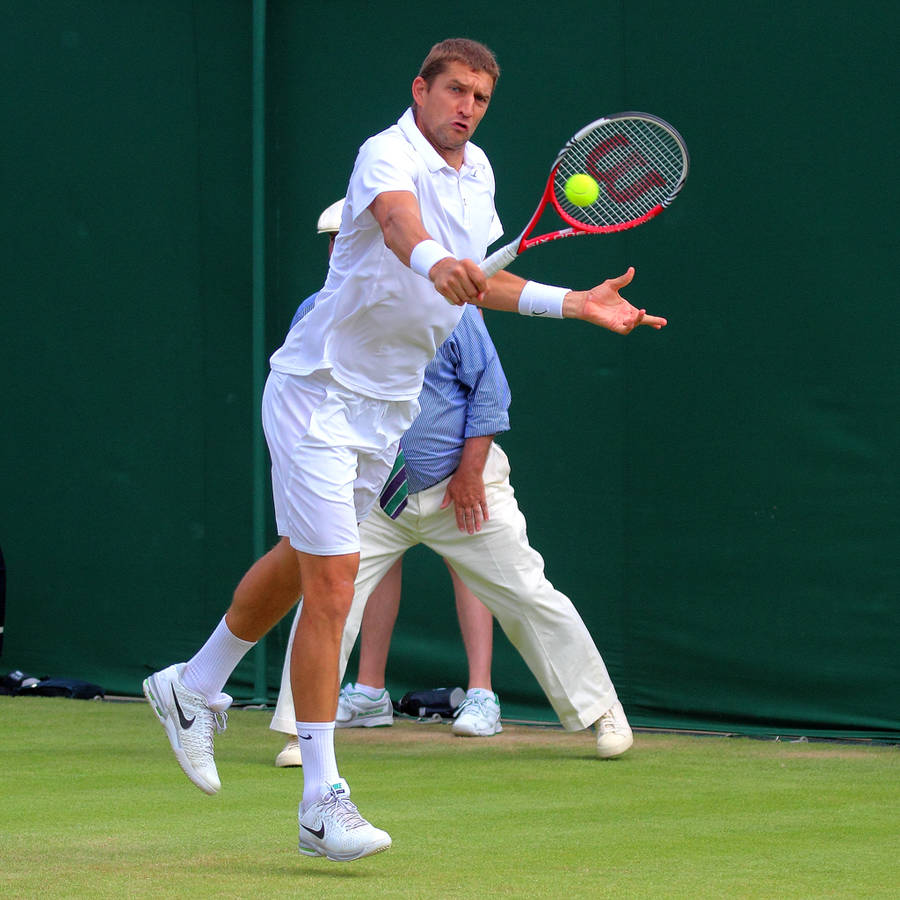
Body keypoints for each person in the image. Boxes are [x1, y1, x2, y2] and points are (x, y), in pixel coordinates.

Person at [142, 37, 666, 864]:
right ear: (420, 89)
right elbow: (398, 227)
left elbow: (482, 282)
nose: (465, 107)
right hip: (319, 389)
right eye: (453, 90)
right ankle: (322, 803)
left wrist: (574, 304)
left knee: (300, 559)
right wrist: (436, 262)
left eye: (480, 98)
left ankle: (192, 684)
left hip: (386, 406)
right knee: (335, 579)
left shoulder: (482, 173)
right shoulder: (382, 153)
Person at [271, 200, 507, 769]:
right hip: (368, 475)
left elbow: (490, 392)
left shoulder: (447, 306)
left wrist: (470, 472)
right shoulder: (316, 310)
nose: (338, 250)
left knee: (497, 575)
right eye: (331, 242)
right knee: (324, 581)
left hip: (455, 478)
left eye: (345, 239)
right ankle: (338, 710)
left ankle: (486, 695)